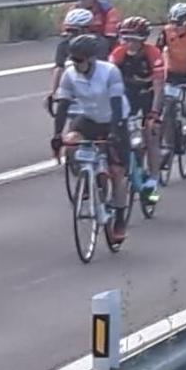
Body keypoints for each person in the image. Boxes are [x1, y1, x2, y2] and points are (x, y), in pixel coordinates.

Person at [50, 33, 131, 240]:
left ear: (91, 58)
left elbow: (115, 103)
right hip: (90, 118)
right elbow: (63, 105)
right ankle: (88, 179)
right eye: (72, 59)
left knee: (117, 171)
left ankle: (120, 218)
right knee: (71, 143)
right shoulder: (70, 74)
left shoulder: (109, 72)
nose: (75, 64)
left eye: (79, 60)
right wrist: (57, 135)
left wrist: (114, 133)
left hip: (115, 119)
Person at [108, 15, 165, 200]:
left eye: (134, 39)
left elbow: (158, 86)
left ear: (143, 40)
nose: (129, 43)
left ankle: (154, 180)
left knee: (151, 132)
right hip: (128, 95)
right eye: (126, 38)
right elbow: (107, 81)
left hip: (148, 95)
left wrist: (154, 113)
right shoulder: (118, 54)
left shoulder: (153, 53)